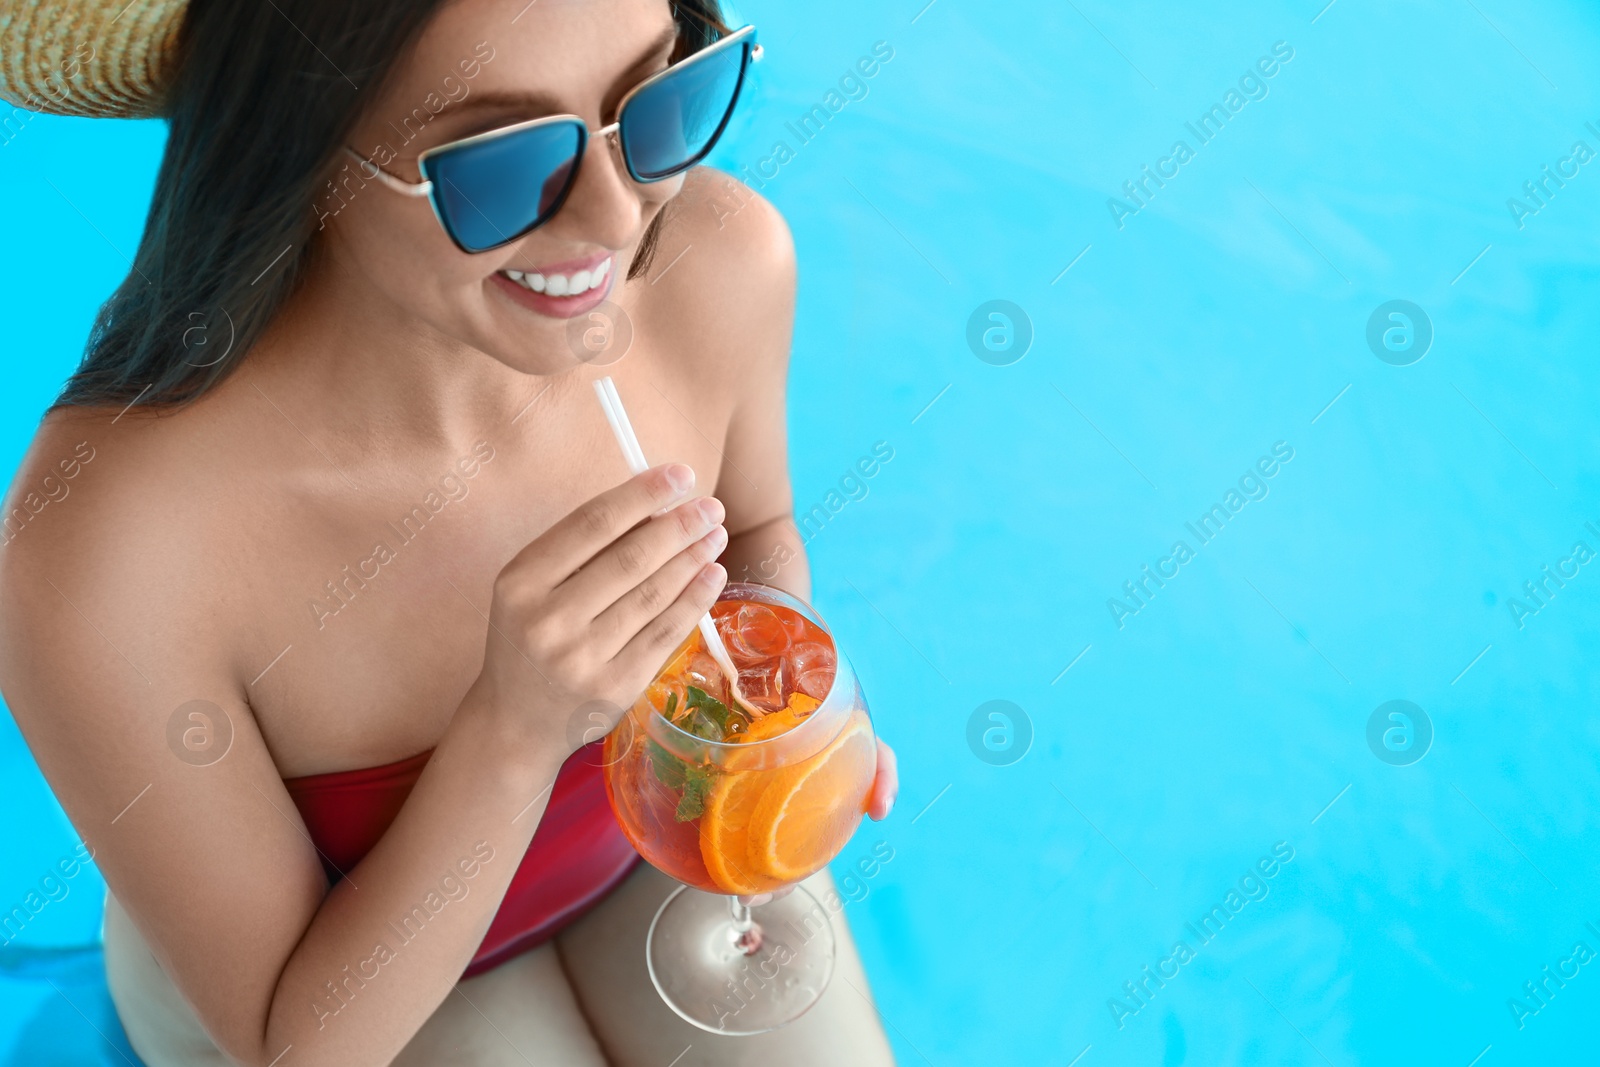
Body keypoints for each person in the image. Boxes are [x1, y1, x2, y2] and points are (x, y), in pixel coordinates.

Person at [0, 0, 900, 1063]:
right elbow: (297, 1042)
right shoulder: (109, 544)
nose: (615, 219)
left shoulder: (720, 261)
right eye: (505, 167)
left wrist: (774, 698)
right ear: (302, 151)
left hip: (634, 848)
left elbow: (756, 526)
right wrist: (515, 728)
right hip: (342, 980)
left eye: (660, 104)